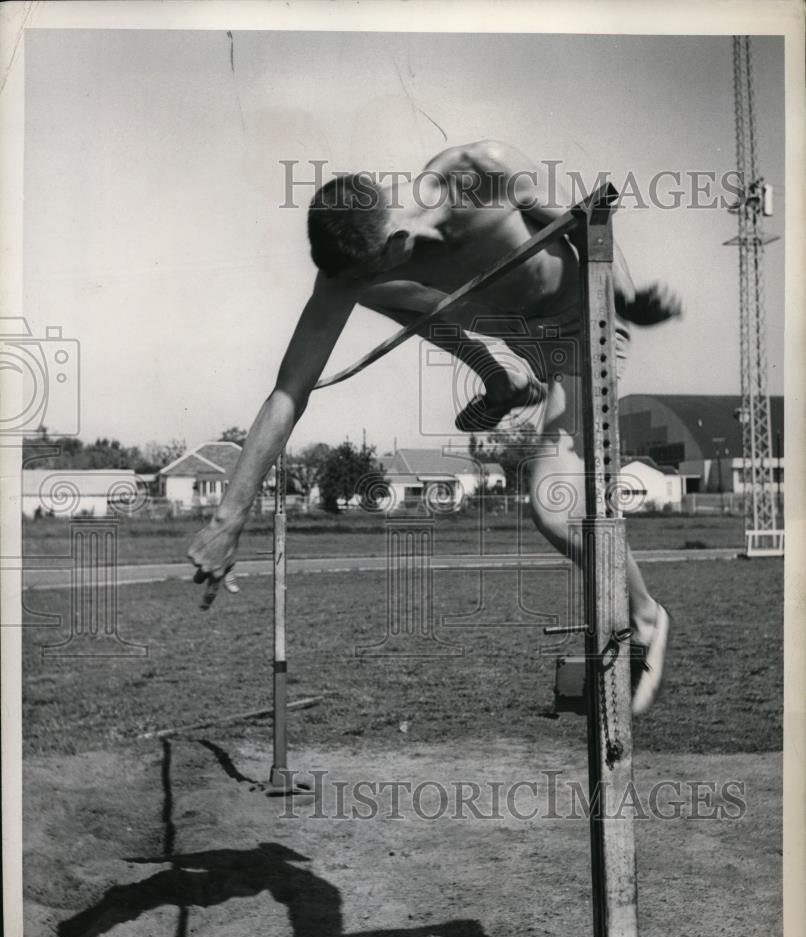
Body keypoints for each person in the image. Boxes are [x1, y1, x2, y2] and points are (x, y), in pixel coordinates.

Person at [188, 140, 681, 714]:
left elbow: (590, 221)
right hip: (521, 338)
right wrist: (229, 516)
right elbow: (287, 393)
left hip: (583, 326)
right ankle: (500, 380)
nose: (360, 286)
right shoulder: (357, 273)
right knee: (385, 294)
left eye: (372, 268)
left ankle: (648, 616)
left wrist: (626, 297)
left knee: (552, 506)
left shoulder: (479, 173)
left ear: (395, 238)